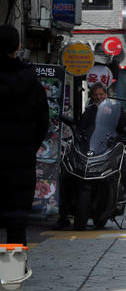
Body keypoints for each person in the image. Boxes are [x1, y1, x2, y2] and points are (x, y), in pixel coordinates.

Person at [55, 83, 126, 230]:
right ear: (91, 97)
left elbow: (125, 128)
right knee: (66, 173)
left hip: (110, 151)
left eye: (101, 94)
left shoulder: (117, 111)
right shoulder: (89, 112)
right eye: (95, 94)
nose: (99, 97)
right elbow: (80, 129)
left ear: (107, 94)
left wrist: (122, 136)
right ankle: (63, 216)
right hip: (89, 153)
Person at [0, 25, 49, 245]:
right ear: (18, 46)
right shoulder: (31, 81)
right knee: (17, 223)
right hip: (21, 162)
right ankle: (15, 272)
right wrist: (28, 146)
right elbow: (43, 122)